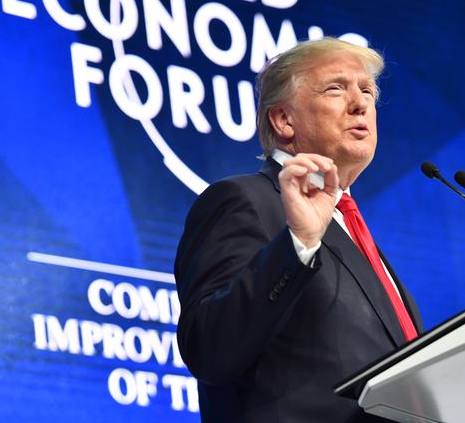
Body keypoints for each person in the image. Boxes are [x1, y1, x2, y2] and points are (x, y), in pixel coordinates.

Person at [174, 37, 422, 422]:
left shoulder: (353, 229)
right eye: (336, 88)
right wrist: (299, 244)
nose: (361, 103)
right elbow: (210, 348)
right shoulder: (244, 201)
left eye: (368, 91)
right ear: (284, 120)